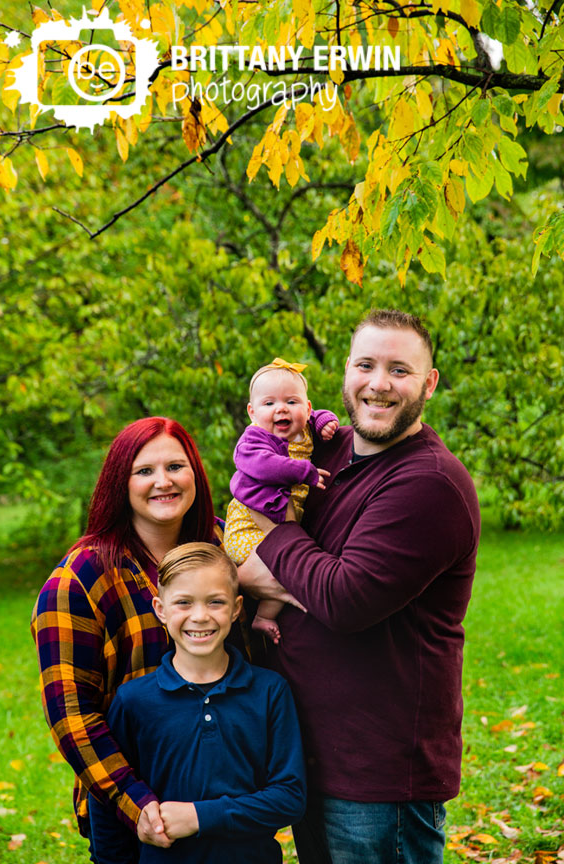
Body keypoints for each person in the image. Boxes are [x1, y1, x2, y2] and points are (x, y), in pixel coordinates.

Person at [239, 309, 481, 864]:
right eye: (366, 364)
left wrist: (268, 543)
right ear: (345, 371)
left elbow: (344, 602)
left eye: (400, 369)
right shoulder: (325, 449)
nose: (378, 383)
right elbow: (246, 478)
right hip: (312, 755)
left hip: (379, 776)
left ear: (429, 382)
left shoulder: (429, 484)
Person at [32, 416, 220, 861]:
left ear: (195, 472)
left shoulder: (223, 547)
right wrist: (138, 805)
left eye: (176, 466)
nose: (163, 482)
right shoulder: (80, 579)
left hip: (222, 795)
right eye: (144, 471)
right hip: (133, 806)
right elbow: (72, 716)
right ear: (121, 482)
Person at [91, 542, 306, 863]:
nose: (200, 616)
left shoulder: (269, 691)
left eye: (215, 602)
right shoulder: (134, 700)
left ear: (237, 608)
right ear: (160, 609)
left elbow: (289, 797)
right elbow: (109, 799)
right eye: (183, 603)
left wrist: (198, 817)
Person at [223, 358, 338, 642]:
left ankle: (267, 612)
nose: (281, 409)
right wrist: (304, 471)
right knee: (280, 569)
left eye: (292, 401)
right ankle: (265, 614)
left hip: (279, 521)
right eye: (269, 404)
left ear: (307, 407)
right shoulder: (253, 440)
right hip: (248, 526)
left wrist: (325, 421)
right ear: (252, 412)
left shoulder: (305, 429)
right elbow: (265, 466)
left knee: (284, 564)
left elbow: (318, 416)